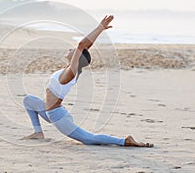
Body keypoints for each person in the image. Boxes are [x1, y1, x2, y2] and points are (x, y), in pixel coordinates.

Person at [22, 15, 153, 147]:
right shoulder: (69, 69)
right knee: (28, 100)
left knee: (89, 139)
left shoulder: (71, 73)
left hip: (58, 117)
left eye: (73, 50)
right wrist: (99, 31)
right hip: (49, 111)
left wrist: (99, 28)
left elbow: (81, 45)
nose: (70, 49)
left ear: (77, 58)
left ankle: (125, 141)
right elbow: (85, 48)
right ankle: (38, 132)